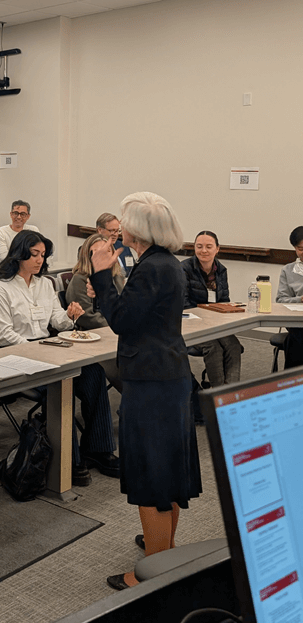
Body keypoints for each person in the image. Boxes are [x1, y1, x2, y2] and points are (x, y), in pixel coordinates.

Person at [88, 192, 201, 590]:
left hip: (152, 382)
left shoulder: (152, 268)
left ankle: (153, 572)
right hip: (169, 375)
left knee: (151, 477)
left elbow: (120, 320)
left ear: (139, 228)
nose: (122, 229)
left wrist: (103, 274)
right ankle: (165, 551)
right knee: (167, 471)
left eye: (126, 222)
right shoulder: (165, 263)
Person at [0, 230, 119, 488]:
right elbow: (3, 337)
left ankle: (98, 449)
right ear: (18, 254)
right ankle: (71, 461)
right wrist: (42, 350)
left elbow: (56, 321)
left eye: (43, 255)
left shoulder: (45, 284)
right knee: (61, 384)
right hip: (17, 356)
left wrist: (70, 315)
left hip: (48, 348)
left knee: (94, 373)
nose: (39, 260)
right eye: (34, 254)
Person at [181, 231, 242, 386]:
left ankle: (231, 391)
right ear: (194, 248)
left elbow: (224, 301)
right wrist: (205, 318)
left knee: (233, 346)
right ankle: (218, 395)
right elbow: (184, 304)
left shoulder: (221, 270)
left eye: (209, 246)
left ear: (217, 249)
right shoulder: (184, 269)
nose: (204, 251)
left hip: (215, 322)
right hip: (191, 324)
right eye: (199, 246)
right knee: (213, 348)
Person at [66, 233, 124, 391]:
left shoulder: (117, 277)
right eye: (95, 253)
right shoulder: (80, 279)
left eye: (106, 251)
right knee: (128, 370)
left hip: (117, 335)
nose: (102, 256)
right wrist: (119, 324)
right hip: (94, 339)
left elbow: (125, 307)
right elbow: (87, 318)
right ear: (87, 256)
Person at [275, 225, 303, 370]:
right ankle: (293, 382)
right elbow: (280, 300)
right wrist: (299, 299)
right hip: (296, 321)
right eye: (301, 249)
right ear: (295, 248)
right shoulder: (288, 270)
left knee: (294, 341)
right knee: (297, 337)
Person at [96, 212, 135, 277]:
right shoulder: (91, 249)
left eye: (117, 231)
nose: (115, 234)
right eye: (111, 230)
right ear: (99, 230)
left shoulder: (123, 246)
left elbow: (132, 268)